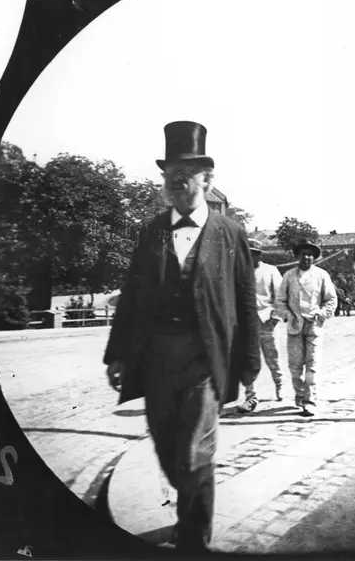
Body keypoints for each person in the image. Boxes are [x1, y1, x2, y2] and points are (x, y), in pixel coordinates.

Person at [102, 121, 260, 553]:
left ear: (207, 179)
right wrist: (117, 355)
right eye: (170, 171)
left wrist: (250, 362)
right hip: (157, 356)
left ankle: (194, 537)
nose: (176, 179)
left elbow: (245, 300)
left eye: (186, 171)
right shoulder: (151, 230)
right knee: (167, 447)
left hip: (205, 357)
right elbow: (132, 294)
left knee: (194, 453)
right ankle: (189, 513)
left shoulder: (230, 233)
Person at [276, 239, 337, 416]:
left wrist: (322, 313)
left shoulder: (322, 275)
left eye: (310, 255)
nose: (306, 257)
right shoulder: (289, 276)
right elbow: (280, 301)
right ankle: (300, 393)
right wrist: (288, 315)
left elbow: (331, 299)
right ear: (297, 256)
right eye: (303, 254)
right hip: (294, 326)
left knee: (312, 365)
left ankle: (310, 401)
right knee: (295, 367)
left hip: (313, 326)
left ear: (314, 257)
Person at [237, 239, 284, 413]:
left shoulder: (271, 271)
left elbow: (281, 297)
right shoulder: (239, 272)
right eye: (247, 253)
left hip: (266, 321)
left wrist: (275, 317)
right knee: (248, 360)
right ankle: (251, 396)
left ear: (259, 255)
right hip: (246, 323)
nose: (250, 257)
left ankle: (279, 384)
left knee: (273, 357)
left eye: (253, 253)